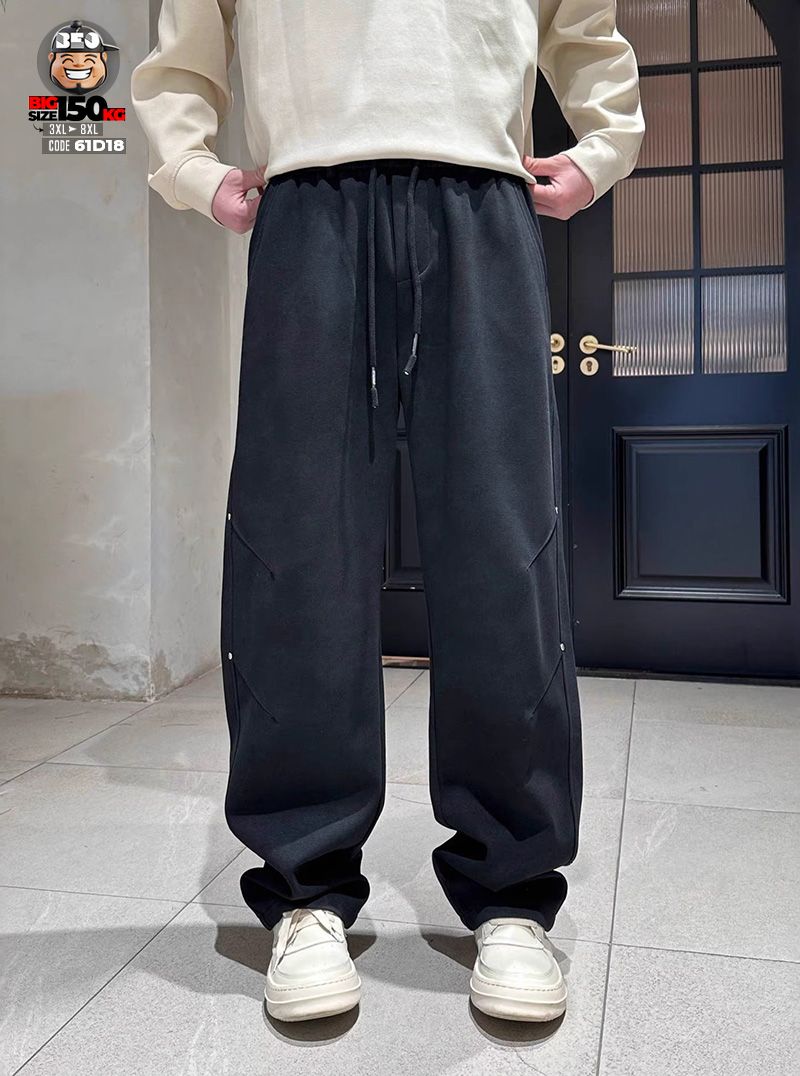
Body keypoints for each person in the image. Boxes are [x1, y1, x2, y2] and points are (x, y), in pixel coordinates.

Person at [132, 0, 644, 1026]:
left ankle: (511, 891)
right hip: (307, 199)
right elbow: (182, 49)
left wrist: (603, 148)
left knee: (504, 546)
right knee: (296, 547)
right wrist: (189, 166)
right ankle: (306, 887)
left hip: (484, 195)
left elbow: (584, 28)